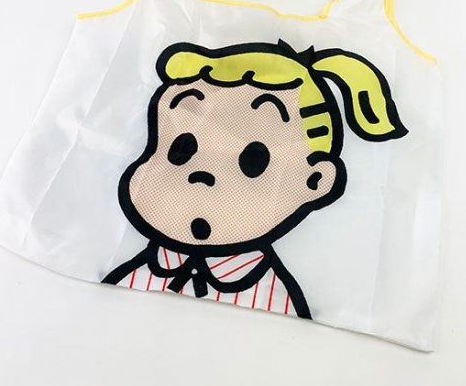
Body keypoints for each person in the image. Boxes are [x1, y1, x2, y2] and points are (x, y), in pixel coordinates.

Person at [102, 40, 407, 319]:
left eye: (253, 161)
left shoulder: (279, 305)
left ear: (315, 180)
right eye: (182, 148)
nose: (202, 176)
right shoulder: (132, 275)